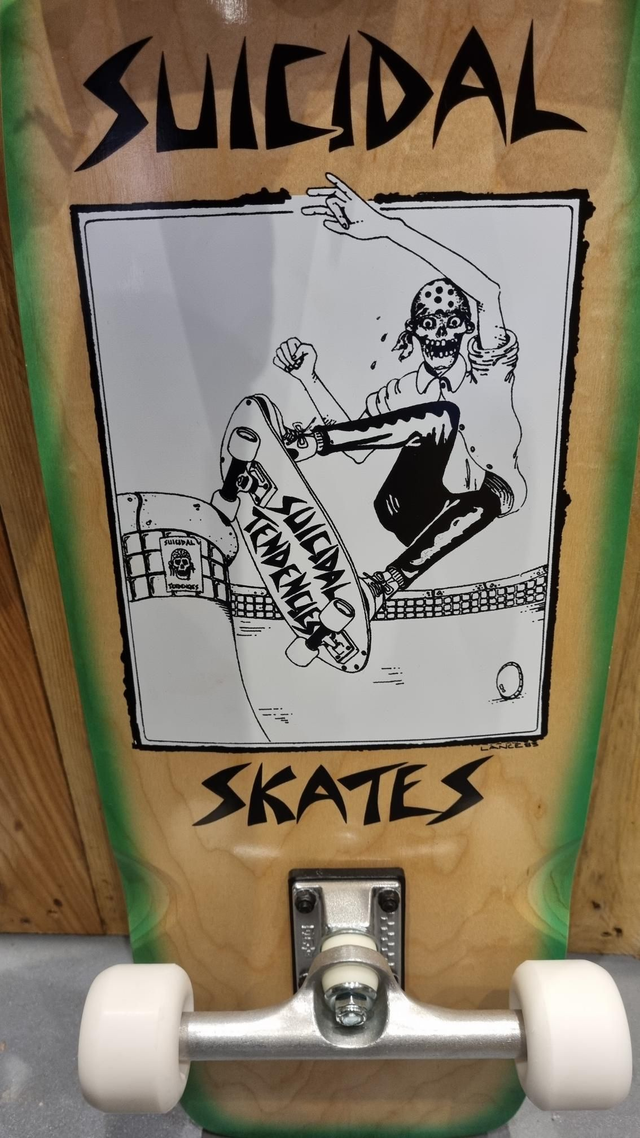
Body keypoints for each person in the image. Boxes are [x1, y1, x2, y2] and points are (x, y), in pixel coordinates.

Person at [274, 174, 526, 614]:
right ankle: (310, 443)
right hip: (405, 510)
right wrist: (309, 378)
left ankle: (381, 587)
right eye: (429, 325)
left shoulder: (489, 369)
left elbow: (489, 292)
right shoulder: (407, 390)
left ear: (468, 328)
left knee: (469, 462)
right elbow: (359, 444)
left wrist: (389, 229)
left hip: (479, 502)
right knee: (437, 418)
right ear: (415, 332)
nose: (441, 335)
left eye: (452, 323)